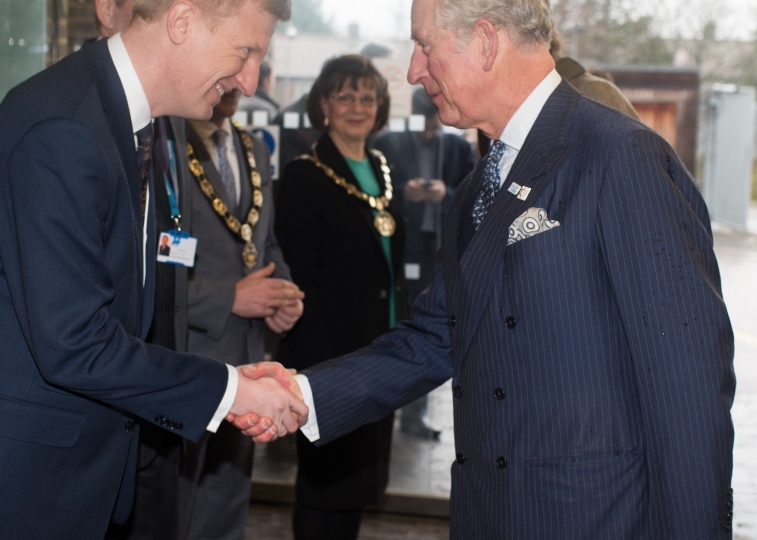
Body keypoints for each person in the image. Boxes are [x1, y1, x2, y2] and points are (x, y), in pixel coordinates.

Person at [240, 0, 737, 536]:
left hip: (596, 519)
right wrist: (303, 396)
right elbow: (435, 337)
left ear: (485, 41)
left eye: (424, 45)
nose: (413, 70)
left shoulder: (620, 157)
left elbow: (688, 389)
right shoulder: (477, 189)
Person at [0, 1, 307, 539]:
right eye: (245, 52)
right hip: (6, 491)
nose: (249, 81)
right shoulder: (63, 128)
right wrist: (231, 391)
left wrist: (230, 381)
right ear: (182, 22)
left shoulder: (129, 121)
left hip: (71, 479)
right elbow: (74, 343)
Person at [274, 55, 407, 540]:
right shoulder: (305, 176)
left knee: (358, 484)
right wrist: (316, 376)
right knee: (324, 487)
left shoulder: (381, 169)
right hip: (331, 361)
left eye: (367, 97)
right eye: (345, 96)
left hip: (382, 352)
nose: (357, 106)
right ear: (323, 105)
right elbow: (297, 283)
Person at [175, 88, 302, 540]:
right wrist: (229, 297)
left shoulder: (249, 145)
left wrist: (284, 295)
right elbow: (151, 271)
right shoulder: (167, 146)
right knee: (177, 498)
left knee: (228, 496)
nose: (239, 85)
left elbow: (263, 242)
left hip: (246, 354)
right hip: (189, 353)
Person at [373, 87, 475, 440]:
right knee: (398, 328)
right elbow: (379, 193)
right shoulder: (389, 145)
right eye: (422, 126)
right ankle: (385, 412)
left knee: (429, 332)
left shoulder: (459, 147)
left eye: (433, 126)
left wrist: (445, 193)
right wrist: (405, 190)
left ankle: (416, 417)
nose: (427, 133)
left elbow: (473, 193)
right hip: (402, 252)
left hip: (440, 251)